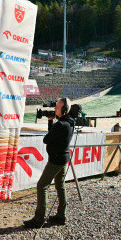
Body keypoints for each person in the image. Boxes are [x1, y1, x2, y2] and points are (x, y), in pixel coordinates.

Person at [24, 98, 75, 228]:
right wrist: (52, 121)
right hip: (63, 158)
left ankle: (39, 219)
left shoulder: (60, 125)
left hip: (56, 160)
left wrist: (51, 122)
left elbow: (47, 139)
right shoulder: (69, 122)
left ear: (64, 110)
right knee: (60, 185)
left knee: (42, 185)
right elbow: (53, 136)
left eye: (57, 108)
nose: (55, 109)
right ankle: (61, 215)